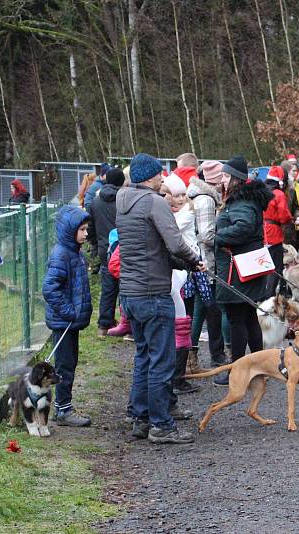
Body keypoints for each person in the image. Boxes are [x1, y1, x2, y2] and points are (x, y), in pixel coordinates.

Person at [116, 153, 204, 445]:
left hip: (130, 292)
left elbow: (149, 247)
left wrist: (182, 263)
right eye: (158, 175)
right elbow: (175, 242)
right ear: (150, 176)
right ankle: (161, 425)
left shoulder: (122, 198)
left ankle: (139, 418)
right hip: (153, 293)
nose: (162, 179)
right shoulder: (153, 201)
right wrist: (195, 260)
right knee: (162, 361)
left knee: (143, 356)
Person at [213, 155, 273, 386]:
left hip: (237, 271)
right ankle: (260, 367)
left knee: (239, 319)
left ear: (236, 179)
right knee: (248, 318)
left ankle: (237, 372)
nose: (223, 180)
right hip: (244, 268)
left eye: (226, 176)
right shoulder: (243, 200)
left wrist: (216, 237)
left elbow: (244, 228)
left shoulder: (242, 203)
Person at [42, 205, 93, 427]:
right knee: (64, 366)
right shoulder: (61, 255)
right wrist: (70, 312)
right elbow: (49, 288)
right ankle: (62, 409)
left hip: (70, 323)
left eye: (86, 229)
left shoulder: (74, 252)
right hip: (64, 323)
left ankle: (64, 406)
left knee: (70, 363)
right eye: (82, 230)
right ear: (69, 231)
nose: (86, 234)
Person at [159, 174, 202, 396]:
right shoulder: (171, 212)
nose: (177, 199)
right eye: (174, 195)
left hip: (183, 273)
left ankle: (179, 375)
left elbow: (172, 238)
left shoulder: (184, 214)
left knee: (183, 321)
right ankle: (177, 375)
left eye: (179, 195)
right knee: (180, 321)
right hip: (177, 274)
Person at [187, 160, 228, 372]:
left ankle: (193, 357)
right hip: (206, 263)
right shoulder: (205, 200)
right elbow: (206, 235)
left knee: (202, 310)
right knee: (209, 311)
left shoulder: (200, 196)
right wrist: (227, 241)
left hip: (201, 261)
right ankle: (212, 356)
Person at [87, 168, 125, 337]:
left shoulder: (95, 201)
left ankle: (104, 325)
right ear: (122, 181)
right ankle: (127, 325)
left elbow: (91, 227)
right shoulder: (124, 199)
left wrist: (96, 245)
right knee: (126, 288)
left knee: (108, 288)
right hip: (124, 248)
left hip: (105, 249)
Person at [262, 165, 292, 297]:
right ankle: (269, 296)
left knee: (262, 265)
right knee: (275, 267)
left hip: (259, 232)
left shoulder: (260, 191)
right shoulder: (278, 194)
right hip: (273, 233)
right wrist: (291, 220)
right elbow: (284, 216)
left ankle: (262, 295)